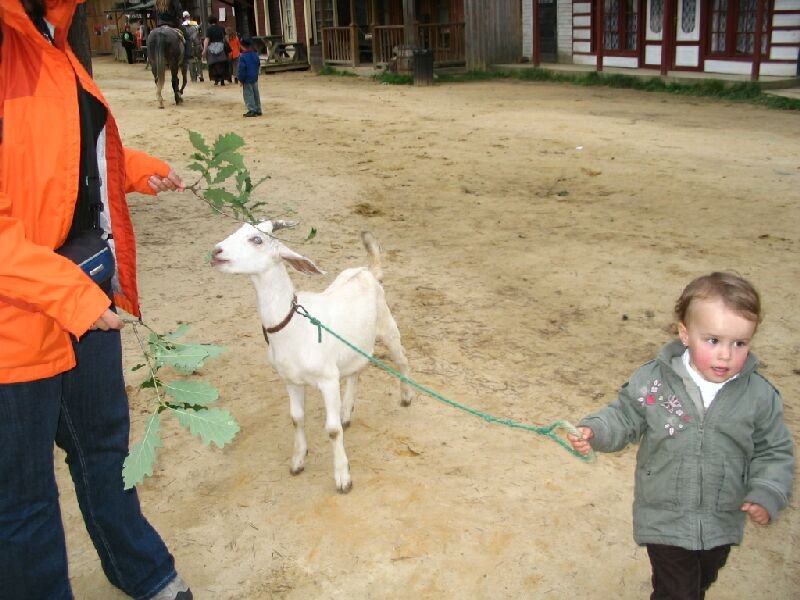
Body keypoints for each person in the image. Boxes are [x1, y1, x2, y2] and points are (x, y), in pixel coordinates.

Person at [0, 1, 193, 599]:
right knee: (22, 495)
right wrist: (68, 296)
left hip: (85, 287)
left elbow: (63, 158)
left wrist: (132, 169)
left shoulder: (54, 37)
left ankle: (140, 568)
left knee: (104, 448)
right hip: (16, 321)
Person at [568, 272, 794, 600]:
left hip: (721, 520)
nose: (726, 355)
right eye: (713, 340)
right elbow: (625, 415)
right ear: (685, 334)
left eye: (740, 343)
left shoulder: (758, 395)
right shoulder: (655, 381)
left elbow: (774, 450)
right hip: (665, 516)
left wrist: (767, 491)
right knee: (678, 592)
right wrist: (596, 430)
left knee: (702, 578)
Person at [238, 36, 262, 117]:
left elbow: (242, 69)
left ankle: (252, 110)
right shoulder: (255, 54)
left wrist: (241, 79)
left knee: (248, 94)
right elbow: (258, 64)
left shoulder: (243, 56)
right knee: (256, 94)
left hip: (247, 78)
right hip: (254, 77)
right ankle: (258, 109)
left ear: (242, 46)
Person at [202, 15, 229, 86]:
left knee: (213, 64)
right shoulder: (221, 28)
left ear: (209, 22)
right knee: (222, 63)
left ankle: (216, 79)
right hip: (221, 47)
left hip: (212, 48)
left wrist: (204, 50)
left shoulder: (209, 29)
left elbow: (207, 40)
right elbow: (226, 38)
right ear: (216, 21)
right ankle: (222, 79)